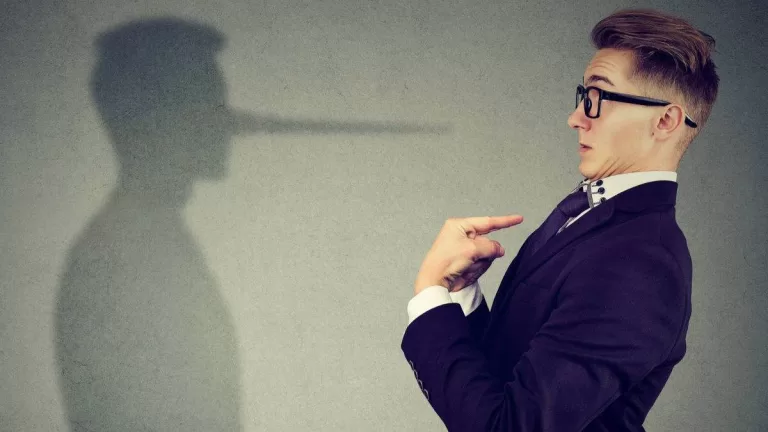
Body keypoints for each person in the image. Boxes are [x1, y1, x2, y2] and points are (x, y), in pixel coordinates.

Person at [401, 8, 720, 431]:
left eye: (598, 98)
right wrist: (459, 293)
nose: (575, 118)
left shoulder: (640, 262)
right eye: (582, 96)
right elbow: (510, 375)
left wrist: (428, 294)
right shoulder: (592, 219)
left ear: (665, 120)